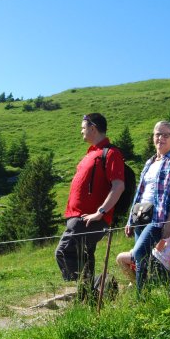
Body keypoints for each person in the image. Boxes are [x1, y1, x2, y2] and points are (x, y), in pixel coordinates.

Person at [55, 113, 125, 288]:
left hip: (88, 219)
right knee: (85, 258)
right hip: (80, 217)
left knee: (63, 252)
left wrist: (100, 212)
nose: (81, 132)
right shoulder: (92, 153)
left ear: (93, 128)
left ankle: (85, 289)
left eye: (83, 128)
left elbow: (118, 186)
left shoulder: (111, 153)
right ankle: (91, 297)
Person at [116, 121, 170, 293]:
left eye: (165, 135)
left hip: (159, 217)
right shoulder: (149, 162)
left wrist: (169, 223)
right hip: (141, 214)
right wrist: (130, 220)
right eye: (157, 134)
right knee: (142, 262)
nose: (161, 138)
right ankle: (146, 299)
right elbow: (139, 193)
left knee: (140, 253)